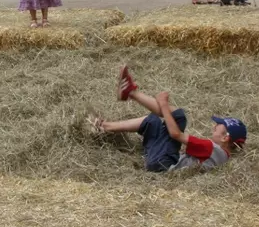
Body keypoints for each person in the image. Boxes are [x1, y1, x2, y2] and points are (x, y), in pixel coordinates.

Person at [89, 67, 247, 173]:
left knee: (179, 117)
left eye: (218, 126)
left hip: (162, 163)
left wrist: (164, 104)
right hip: (162, 162)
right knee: (153, 121)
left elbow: (176, 134)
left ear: (225, 137)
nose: (214, 127)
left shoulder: (209, 147)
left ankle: (129, 95)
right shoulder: (223, 156)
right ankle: (106, 123)